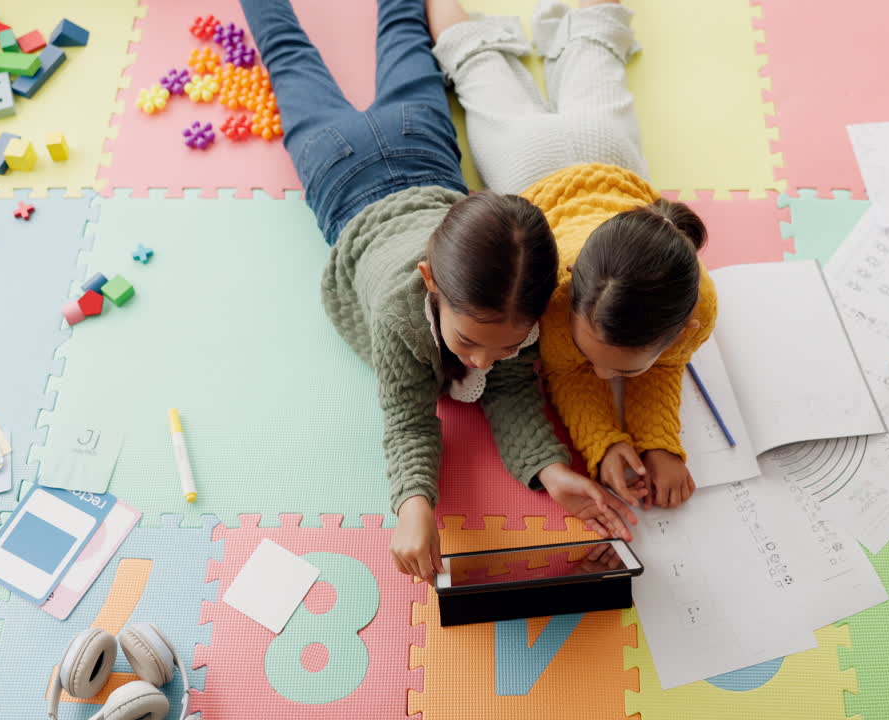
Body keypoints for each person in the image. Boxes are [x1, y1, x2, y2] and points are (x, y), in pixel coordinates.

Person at [242, 0, 636, 581]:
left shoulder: (513, 308)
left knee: (393, 27)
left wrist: (550, 469)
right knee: (288, 53)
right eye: (470, 341)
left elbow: (509, 390)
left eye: (506, 347)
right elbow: (407, 419)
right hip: (340, 166)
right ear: (431, 283)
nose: (481, 361)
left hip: (417, 138)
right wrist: (413, 507)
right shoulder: (399, 317)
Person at [429, 0, 718, 509]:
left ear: (685, 329)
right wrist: (604, 440)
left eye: (624, 371)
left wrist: (654, 443)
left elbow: (662, 366)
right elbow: (569, 371)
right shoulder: (558, 301)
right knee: (477, 62)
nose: (604, 378)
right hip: (526, 164)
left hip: (605, 149)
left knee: (592, 38)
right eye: (598, 360)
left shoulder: (694, 304)